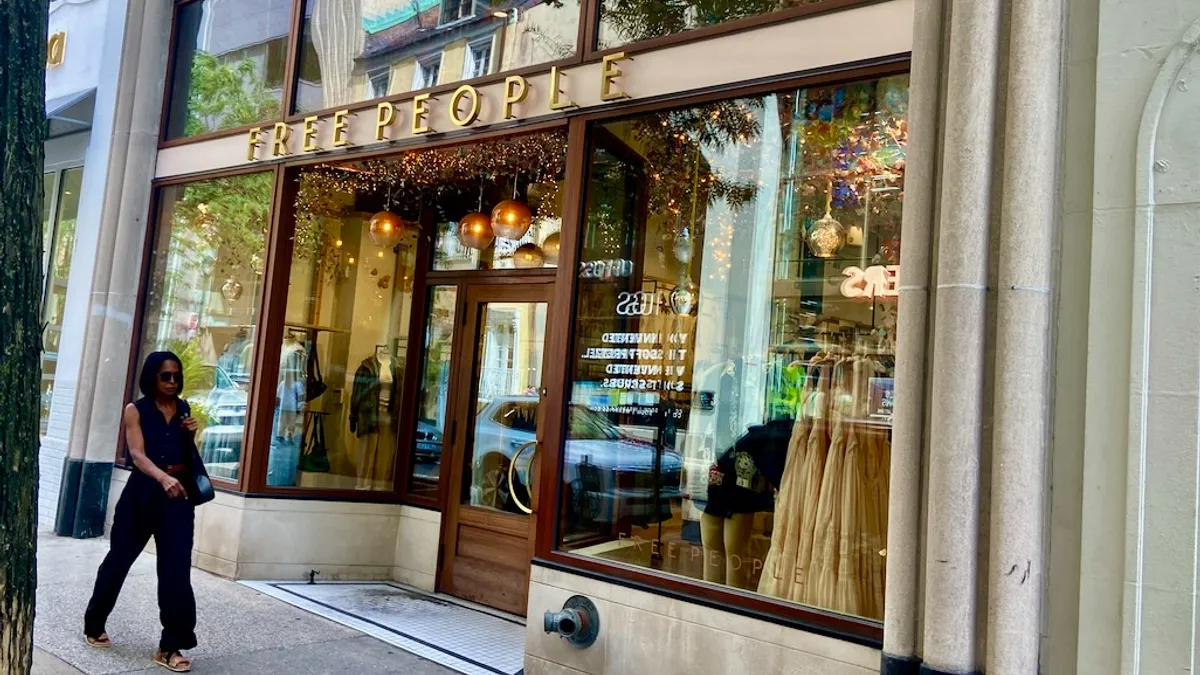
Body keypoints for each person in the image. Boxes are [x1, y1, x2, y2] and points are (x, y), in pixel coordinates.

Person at [83, 351, 209, 673]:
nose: (172, 382)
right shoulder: (134, 410)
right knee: (118, 561)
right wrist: (163, 477)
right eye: (165, 376)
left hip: (177, 498)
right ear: (152, 376)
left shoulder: (182, 409)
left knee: (177, 572)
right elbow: (137, 454)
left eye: (176, 376)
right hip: (142, 495)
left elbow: (182, 452)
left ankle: (171, 646)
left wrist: (190, 434)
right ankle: (94, 623)